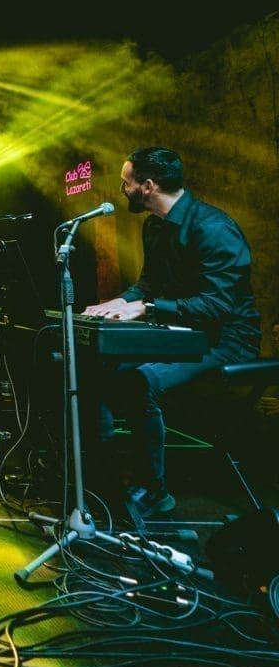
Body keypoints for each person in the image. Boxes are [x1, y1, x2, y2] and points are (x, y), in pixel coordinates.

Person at [83, 147, 260, 517]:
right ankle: (103, 474)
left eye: (126, 183)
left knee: (138, 382)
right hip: (179, 333)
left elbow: (216, 306)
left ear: (148, 186)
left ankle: (154, 491)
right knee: (96, 367)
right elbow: (149, 283)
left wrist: (145, 308)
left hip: (225, 340)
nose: (122, 190)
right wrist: (119, 301)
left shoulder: (213, 229)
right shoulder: (155, 226)